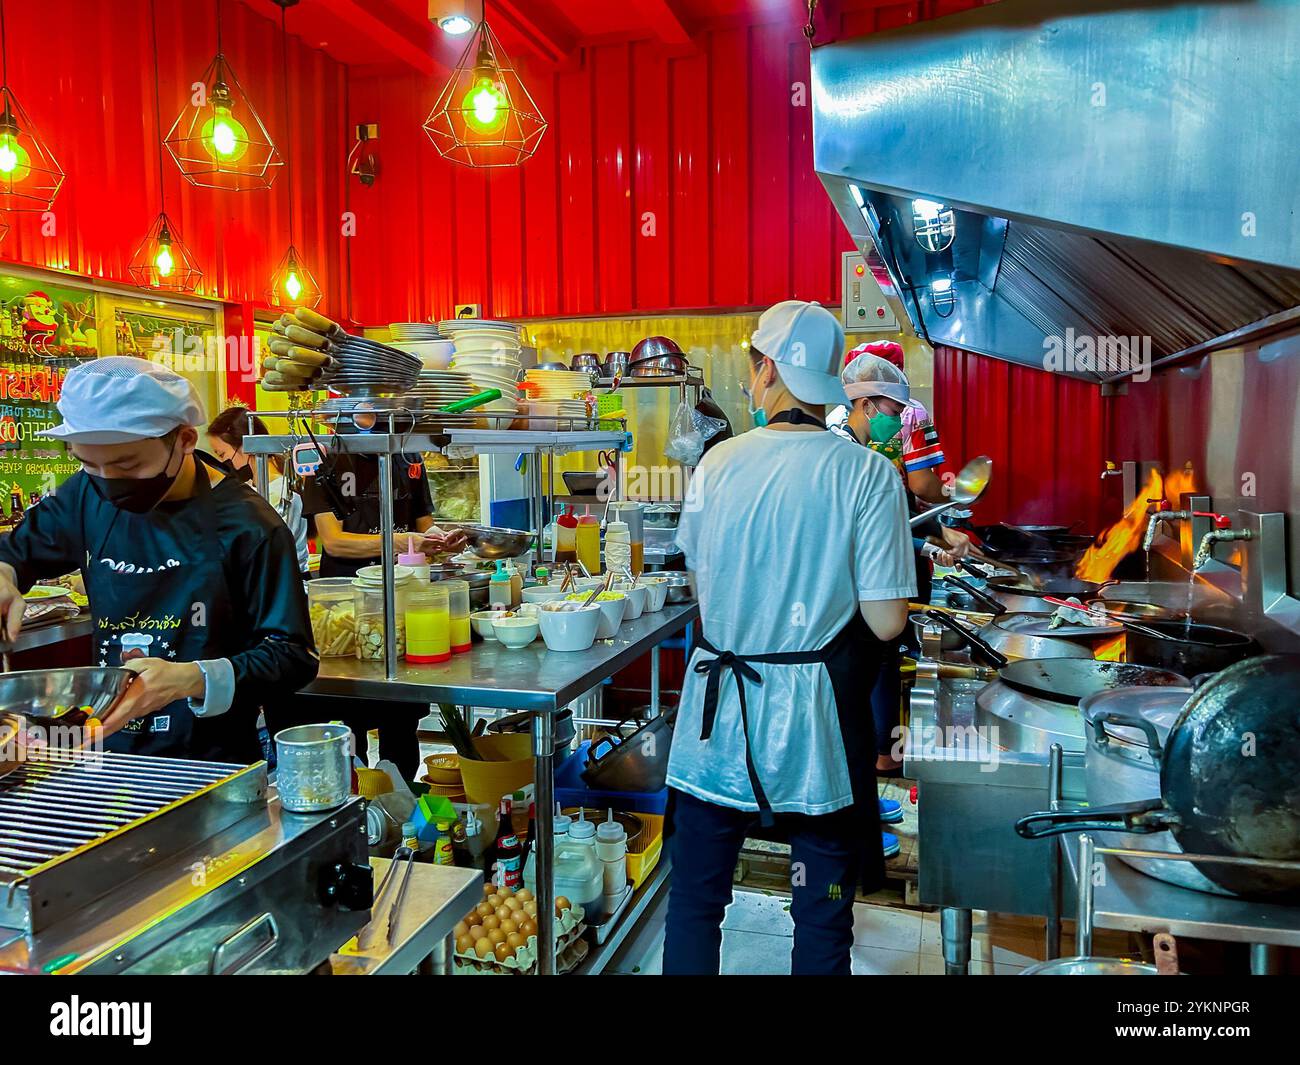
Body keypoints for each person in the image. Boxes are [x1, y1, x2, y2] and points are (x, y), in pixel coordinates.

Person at [663, 301, 915, 976]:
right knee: (822, 911)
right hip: (816, 727)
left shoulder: (715, 465)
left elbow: (702, 584)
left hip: (718, 717)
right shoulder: (867, 472)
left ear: (767, 369)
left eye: (751, 367)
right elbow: (888, 621)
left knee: (695, 900)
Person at [0, 357, 317, 762]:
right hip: (105, 749)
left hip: (210, 758)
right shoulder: (85, 494)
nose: (106, 480)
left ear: (184, 439)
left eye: (127, 463)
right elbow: (18, 550)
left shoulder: (249, 526)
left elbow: (291, 657)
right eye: (87, 463)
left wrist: (190, 678)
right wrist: (5, 575)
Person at [286, 413, 467, 780]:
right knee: (352, 719)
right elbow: (333, 542)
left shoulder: (408, 456)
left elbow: (422, 524)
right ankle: (360, 807)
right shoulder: (326, 457)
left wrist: (441, 538)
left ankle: (399, 812)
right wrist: (396, 542)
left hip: (403, 599)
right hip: (346, 609)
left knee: (401, 719)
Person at [833, 350, 974, 778]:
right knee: (873, 662)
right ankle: (867, 762)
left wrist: (929, 546)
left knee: (876, 662)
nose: (900, 419)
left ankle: (868, 760)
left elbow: (880, 527)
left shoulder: (857, 446)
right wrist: (932, 541)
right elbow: (860, 530)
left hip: (865, 575)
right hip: (851, 584)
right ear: (866, 404)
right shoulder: (846, 452)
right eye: (894, 411)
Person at [207, 406, 310, 579]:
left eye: (222, 454)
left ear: (244, 446)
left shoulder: (281, 490)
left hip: (285, 578)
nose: (223, 462)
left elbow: (263, 545)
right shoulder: (249, 486)